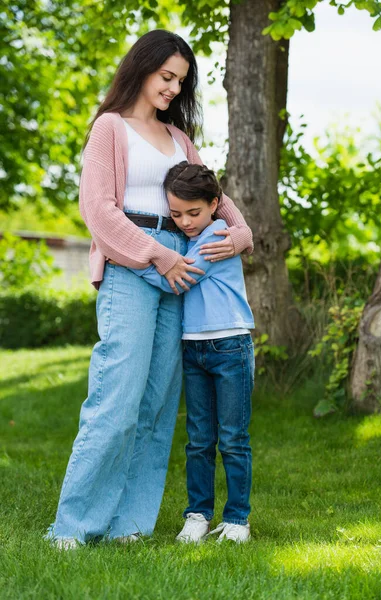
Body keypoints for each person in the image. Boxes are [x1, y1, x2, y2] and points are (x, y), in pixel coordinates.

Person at [46, 30, 253, 549]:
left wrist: (243, 233)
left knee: (158, 407)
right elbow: (97, 209)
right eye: (166, 77)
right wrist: (156, 254)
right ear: (142, 67)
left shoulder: (180, 140)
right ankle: (71, 527)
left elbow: (216, 199)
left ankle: (129, 526)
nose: (172, 88)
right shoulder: (109, 129)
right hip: (133, 261)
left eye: (180, 82)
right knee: (115, 399)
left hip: (178, 269)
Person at [133, 162, 255, 543]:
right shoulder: (192, 237)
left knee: (233, 438)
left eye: (193, 212)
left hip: (230, 346)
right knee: (200, 438)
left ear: (215, 204)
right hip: (195, 348)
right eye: (176, 214)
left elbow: (179, 279)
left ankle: (237, 520)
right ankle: (198, 515)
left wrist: (130, 260)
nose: (184, 221)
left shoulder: (218, 233)